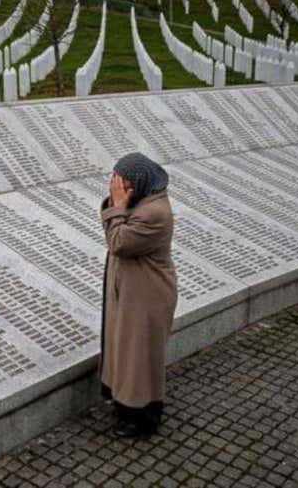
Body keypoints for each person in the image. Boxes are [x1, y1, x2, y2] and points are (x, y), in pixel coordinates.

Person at [97, 152, 178, 438]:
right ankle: (126, 406)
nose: (119, 190)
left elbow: (118, 242)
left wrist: (118, 205)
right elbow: (113, 230)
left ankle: (142, 419)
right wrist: (118, 202)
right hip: (133, 293)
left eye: (125, 185)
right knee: (127, 353)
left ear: (141, 183)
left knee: (139, 358)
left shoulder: (154, 213)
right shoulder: (142, 201)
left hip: (147, 296)